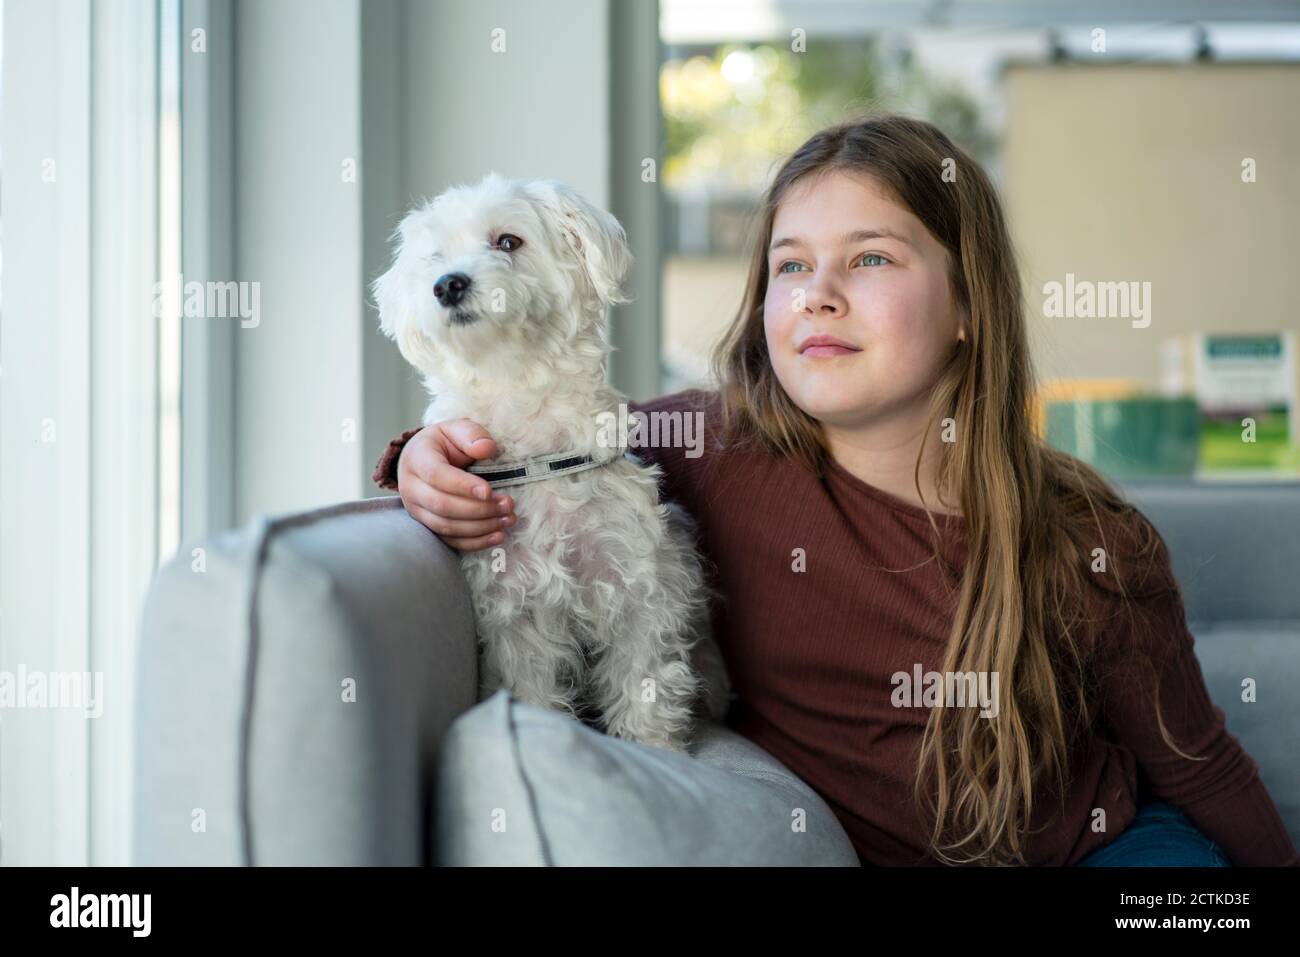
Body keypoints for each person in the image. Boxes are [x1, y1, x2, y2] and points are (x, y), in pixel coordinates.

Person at [372, 113, 1298, 867]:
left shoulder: (1091, 538)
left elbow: (1199, 764)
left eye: (871, 258)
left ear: (970, 304)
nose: (818, 292)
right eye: (790, 265)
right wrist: (422, 456)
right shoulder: (709, 446)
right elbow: (547, 433)